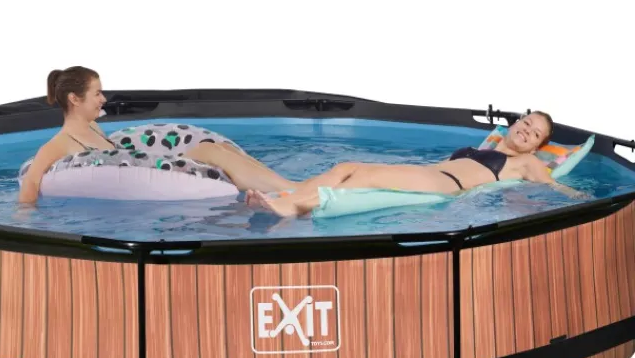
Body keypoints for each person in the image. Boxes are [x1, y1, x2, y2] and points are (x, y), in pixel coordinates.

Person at [18, 66, 291, 204]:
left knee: (219, 148)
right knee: (210, 152)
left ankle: (286, 189)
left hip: (160, 169)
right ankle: (291, 190)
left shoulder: (93, 127)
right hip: (166, 177)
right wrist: (28, 225)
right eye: (97, 93)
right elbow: (30, 183)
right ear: (74, 99)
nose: (104, 99)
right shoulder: (59, 144)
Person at [240, 111, 589, 217]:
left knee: (362, 179)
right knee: (346, 166)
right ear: (515, 123)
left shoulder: (525, 161)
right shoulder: (484, 146)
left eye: (535, 133)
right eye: (526, 122)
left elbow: (553, 185)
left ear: (539, 145)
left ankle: (289, 208)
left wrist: (581, 199)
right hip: (430, 173)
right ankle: (291, 196)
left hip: (445, 185)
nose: (526, 130)